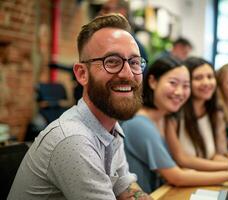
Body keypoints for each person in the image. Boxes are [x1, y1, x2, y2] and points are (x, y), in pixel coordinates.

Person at [8, 14, 151, 200]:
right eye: (112, 62)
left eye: (134, 62)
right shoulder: (73, 140)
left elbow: (124, 188)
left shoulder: (110, 128)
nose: (127, 73)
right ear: (82, 74)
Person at [122, 56, 228, 194]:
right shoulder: (140, 124)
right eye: (173, 83)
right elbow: (176, 176)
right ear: (152, 82)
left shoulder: (164, 118)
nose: (179, 92)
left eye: (185, 86)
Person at [165, 57, 228, 174]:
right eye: (198, 78)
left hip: (204, 177)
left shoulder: (209, 111)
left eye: (210, 77)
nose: (206, 82)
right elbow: (183, 160)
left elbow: (212, 156)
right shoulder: (175, 115)